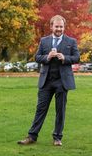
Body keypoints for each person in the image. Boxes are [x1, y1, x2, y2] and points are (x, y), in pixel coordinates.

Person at [18, 15, 80, 147]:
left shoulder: (71, 41)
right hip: (46, 81)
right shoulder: (44, 41)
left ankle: (57, 137)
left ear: (64, 27)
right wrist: (47, 57)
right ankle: (32, 136)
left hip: (62, 81)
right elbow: (37, 57)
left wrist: (65, 58)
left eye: (61, 27)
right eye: (56, 26)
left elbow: (77, 57)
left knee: (60, 110)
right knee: (40, 109)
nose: (59, 29)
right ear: (51, 27)